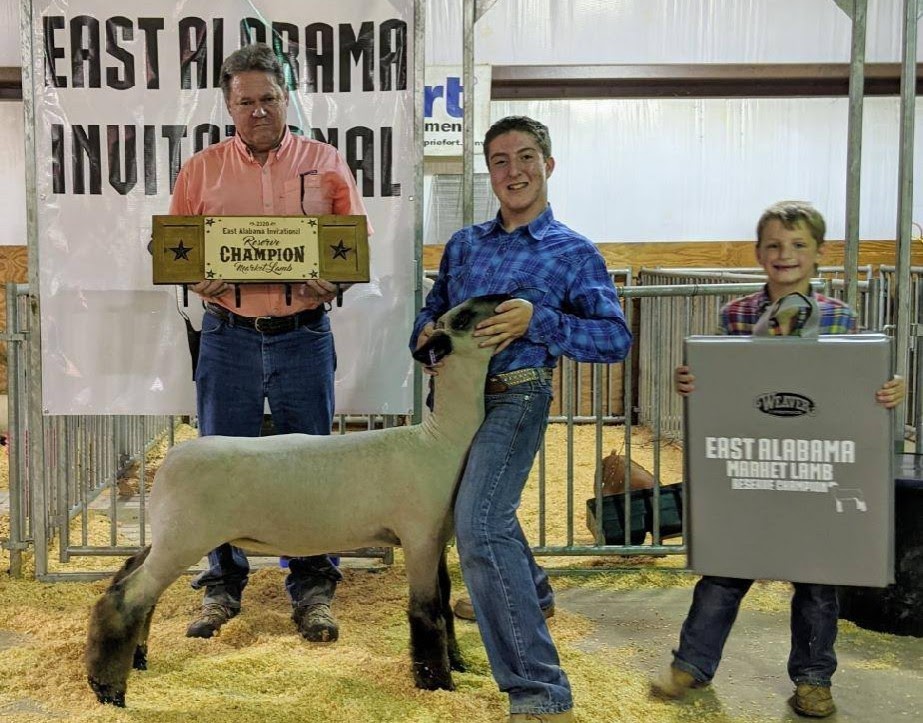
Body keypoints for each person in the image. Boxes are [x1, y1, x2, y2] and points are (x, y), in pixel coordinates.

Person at [410, 116, 632, 723]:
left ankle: (539, 690)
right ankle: (531, 591)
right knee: (482, 514)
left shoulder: (573, 252)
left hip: (517, 393)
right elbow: (432, 312)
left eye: (526, 157)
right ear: (489, 173)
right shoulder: (464, 245)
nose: (514, 170)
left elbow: (615, 339)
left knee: (479, 524)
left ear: (548, 165)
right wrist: (425, 339)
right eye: (501, 161)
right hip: (453, 404)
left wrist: (540, 321)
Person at [652, 200, 905, 718]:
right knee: (725, 571)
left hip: (813, 468)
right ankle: (691, 665)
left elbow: (855, 384)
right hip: (754, 468)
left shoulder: (840, 318)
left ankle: (813, 679)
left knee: (817, 581)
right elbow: (721, 383)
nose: (784, 254)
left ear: (819, 253)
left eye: (797, 245)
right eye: (773, 245)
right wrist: (693, 380)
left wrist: (886, 390)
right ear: (758, 253)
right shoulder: (736, 316)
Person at [168, 43, 369, 643]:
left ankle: (312, 588)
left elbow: (353, 244)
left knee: (312, 466)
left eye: (269, 98)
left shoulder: (326, 162)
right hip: (226, 335)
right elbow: (176, 246)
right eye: (245, 101)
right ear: (228, 106)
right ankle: (221, 586)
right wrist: (194, 276)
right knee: (220, 466)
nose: (258, 110)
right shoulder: (200, 169)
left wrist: (337, 280)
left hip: (302, 335)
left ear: (287, 98)